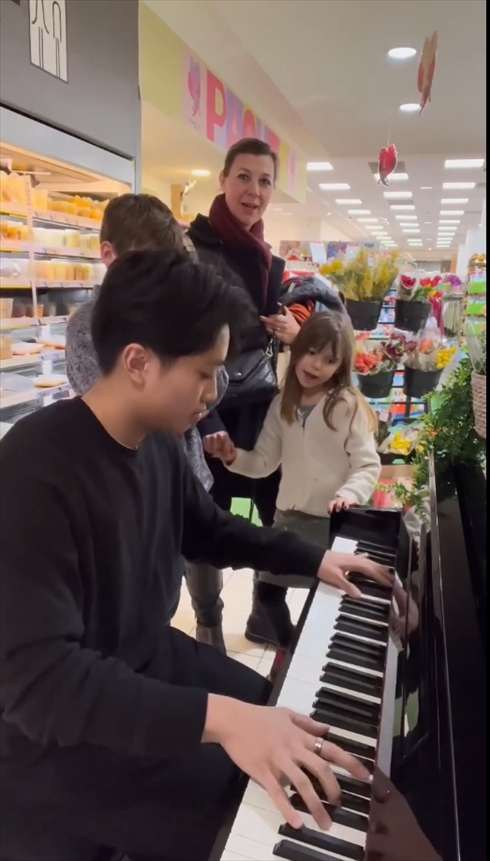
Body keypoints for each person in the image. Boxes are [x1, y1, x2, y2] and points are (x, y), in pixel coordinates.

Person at [0, 250, 392, 861]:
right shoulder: (31, 471)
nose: (213, 395)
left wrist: (315, 560)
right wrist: (222, 720)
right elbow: (44, 685)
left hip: (145, 661)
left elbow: (208, 530)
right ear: (138, 363)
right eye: (205, 373)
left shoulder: (156, 441)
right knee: (248, 796)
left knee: (284, 715)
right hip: (56, 741)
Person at [65, 193, 229, 649]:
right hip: (127, 486)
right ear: (109, 254)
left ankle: (207, 630)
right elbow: (119, 408)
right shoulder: (87, 326)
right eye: (144, 264)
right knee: (142, 599)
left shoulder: (173, 312)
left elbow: (217, 383)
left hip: (182, 470)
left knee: (195, 570)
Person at [187, 137, 303, 651]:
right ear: (223, 179)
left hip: (260, 406)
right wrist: (205, 418)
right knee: (202, 513)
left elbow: (262, 334)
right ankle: (208, 623)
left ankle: (264, 609)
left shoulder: (266, 258)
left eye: (265, 181)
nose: (254, 191)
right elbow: (183, 342)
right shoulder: (193, 250)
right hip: (207, 405)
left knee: (273, 504)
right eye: (243, 177)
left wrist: (294, 332)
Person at [212, 312, 382, 606]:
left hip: (333, 523)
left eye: (329, 360)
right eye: (311, 352)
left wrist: (349, 494)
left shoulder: (348, 405)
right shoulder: (283, 403)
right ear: (298, 348)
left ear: (341, 365)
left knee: (327, 602)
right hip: (289, 520)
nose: (316, 365)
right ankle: (278, 637)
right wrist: (232, 457)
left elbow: (367, 465)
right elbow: (264, 463)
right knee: (267, 598)